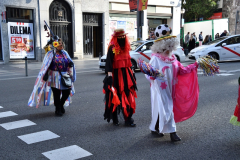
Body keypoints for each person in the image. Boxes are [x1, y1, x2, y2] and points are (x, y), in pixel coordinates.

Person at [144, 24, 199, 142]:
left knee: (162, 108)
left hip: (171, 87)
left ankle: (155, 127)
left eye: (171, 45)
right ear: (161, 46)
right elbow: (149, 74)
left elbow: (181, 70)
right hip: (160, 89)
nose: (169, 48)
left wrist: (194, 66)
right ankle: (172, 133)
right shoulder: (156, 58)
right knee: (167, 106)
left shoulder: (173, 58)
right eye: (167, 46)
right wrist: (154, 76)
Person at [28, 37, 76, 116]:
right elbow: (46, 65)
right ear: (55, 45)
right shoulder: (50, 54)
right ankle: (58, 109)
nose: (62, 46)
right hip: (54, 76)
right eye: (60, 45)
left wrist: (70, 64)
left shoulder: (64, 53)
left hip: (65, 75)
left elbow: (70, 61)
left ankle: (61, 104)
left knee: (66, 92)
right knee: (56, 94)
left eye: (62, 44)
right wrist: (45, 74)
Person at [103, 28, 137, 127]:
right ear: (116, 38)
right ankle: (115, 118)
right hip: (115, 75)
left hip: (126, 75)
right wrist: (109, 77)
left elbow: (129, 63)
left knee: (127, 96)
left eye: (123, 36)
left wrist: (133, 73)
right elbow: (108, 63)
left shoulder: (126, 47)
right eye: (120, 37)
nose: (122, 38)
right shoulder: (111, 48)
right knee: (114, 96)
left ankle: (128, 118)